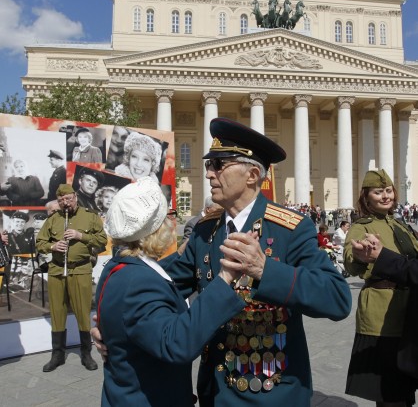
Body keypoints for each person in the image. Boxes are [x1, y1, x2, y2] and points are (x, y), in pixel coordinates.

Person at [93, 118, 351, 406]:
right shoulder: (207, 230)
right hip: (214, 389)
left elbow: (338, 299)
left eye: (219, 165)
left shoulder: (290, 228)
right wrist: (117, 324)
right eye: (208, 165)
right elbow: (160, 283)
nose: (209, 175)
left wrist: (265, 270)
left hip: (270, 390)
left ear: (252, 174)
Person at [96, 176, 244, 406]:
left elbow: (154, 278)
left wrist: (184, 253)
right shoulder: (138, 282)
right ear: (156, 230)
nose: (171, 222)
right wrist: (225, 279)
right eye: (167, 217)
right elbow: (176, 343)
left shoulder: (118, 267)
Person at [343, 169, 418, 406]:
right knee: (388, 388)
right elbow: (350, 259)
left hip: (408, 308)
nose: (385, 196)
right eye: (378, 192)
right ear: (367, 197)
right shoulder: (361, 226)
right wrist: (359, 256)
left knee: (405, 383)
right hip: (382, 311)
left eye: (388, 191)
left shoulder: (401, 225)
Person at [36, 184, 107, 373]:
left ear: (75, 196)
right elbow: (40, 242)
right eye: (61, 201)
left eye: (68, 199)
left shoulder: (90, 216)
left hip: (81, 269)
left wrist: (80, 235)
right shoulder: (53, 219)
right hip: (57, 270)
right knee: (57, 313)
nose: (65, 203)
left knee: (82, 312)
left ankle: (86, 354)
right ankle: (57, 355)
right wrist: (53, 247)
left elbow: (102, 240)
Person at [351, 233, 418, 382]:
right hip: (382, 317)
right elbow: (352, 264)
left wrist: (383, 256)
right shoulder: (363, 226)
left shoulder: (401, 227)